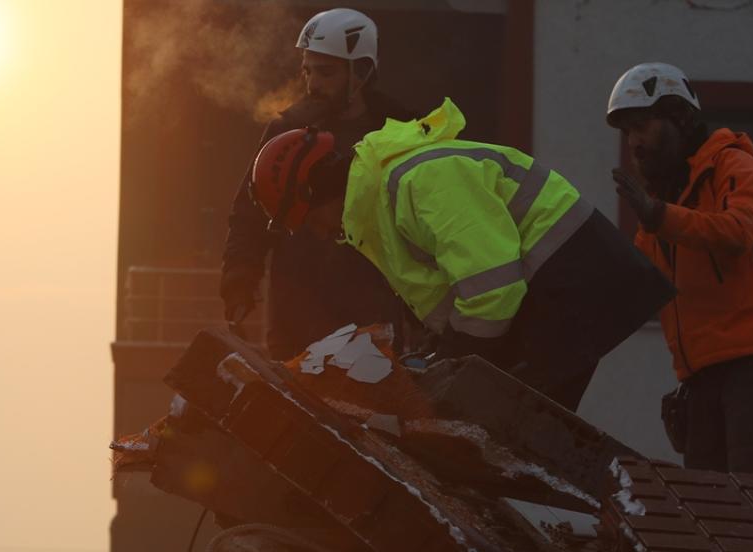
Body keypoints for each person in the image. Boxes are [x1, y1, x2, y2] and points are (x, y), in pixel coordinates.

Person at [248, 98, 674, 411]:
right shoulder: (381, 205)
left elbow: (492, 287)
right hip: (556, 288)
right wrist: (443, 352)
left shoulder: (418, 181)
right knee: (502, 427)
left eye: (308, 221)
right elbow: (457, 293)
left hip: (576, 280)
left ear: (317, 189)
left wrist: (459, 360)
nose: (318, 234)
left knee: (506, 427)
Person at [607, 62, 753, 474]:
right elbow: (639, 282)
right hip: (700, 374)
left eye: (641, 126)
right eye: (627, 133)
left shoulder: (735, 165)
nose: (634, 142)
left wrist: (657, 216)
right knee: (711, 504)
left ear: (679, 118)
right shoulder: (666, 202)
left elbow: (738, 231)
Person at [220, 7, 417, 360]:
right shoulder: (286, 132)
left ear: (360, 71)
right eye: (307, 71)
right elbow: (250, 213)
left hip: (372, 321)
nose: (313, 83)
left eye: (326, 72)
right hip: (296, 320)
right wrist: (239, 279)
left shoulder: (400, 132)